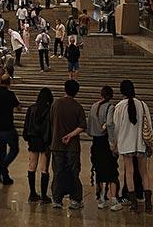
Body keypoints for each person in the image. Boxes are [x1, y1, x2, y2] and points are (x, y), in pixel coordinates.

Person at [111, 80, 153, 213]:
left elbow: (115, 127)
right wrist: (150, 143)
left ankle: (133, 204)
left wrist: (114, 144)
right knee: (144, 172)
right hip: (140, 144)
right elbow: (149, 125)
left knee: (129, 172)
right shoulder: (142, 104)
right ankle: (148, 204)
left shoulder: (119, 106)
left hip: (125, 144)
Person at [50, 79, 86, 210]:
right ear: (76, 92)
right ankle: (75, 199)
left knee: (58, 172)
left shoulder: (56, 104)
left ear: (64, 89)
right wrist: (70, 135)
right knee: (74, 172)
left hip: (56, 144)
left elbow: (51, 121)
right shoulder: (78, 107)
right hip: (72, 146)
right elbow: (82, 126)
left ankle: (57, 199)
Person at [87, 86, 122, 210]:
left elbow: (89, 125)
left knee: (99, 170)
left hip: (96, 142)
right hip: (105, 142)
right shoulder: (110, 107)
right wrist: (113, 143)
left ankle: (101, 199)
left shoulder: (94, 106)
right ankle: (113, 199)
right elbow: (110, 124)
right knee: (111, 170)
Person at [22, 87, 53, 203]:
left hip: (33, 139)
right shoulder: (50, 110)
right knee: (44, 168)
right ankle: (44, 195)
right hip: (45, 141)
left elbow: (26, 125)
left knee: (32, 166)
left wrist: (27, 136)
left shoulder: (32, 108)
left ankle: (32, 193)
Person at [0, 74, 20, 185]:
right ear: (9, 83)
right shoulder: (10, 94)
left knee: (2, 151)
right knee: (14, 149)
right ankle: (1, 169)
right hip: (8, 126)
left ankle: (5, 176)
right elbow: (19, 108)